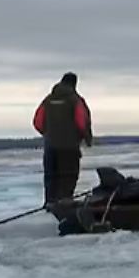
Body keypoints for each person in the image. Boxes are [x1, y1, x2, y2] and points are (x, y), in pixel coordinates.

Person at [33, 72, 93, 207]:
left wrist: (48, 134)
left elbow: (37, 122)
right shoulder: (75, 100)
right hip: (69, 146)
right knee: (68, 176)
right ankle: (64, 205)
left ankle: (50, 204)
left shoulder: (47, 100)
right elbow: (81, 122)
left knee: (51, 177)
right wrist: (86, 137)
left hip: (50, 146)